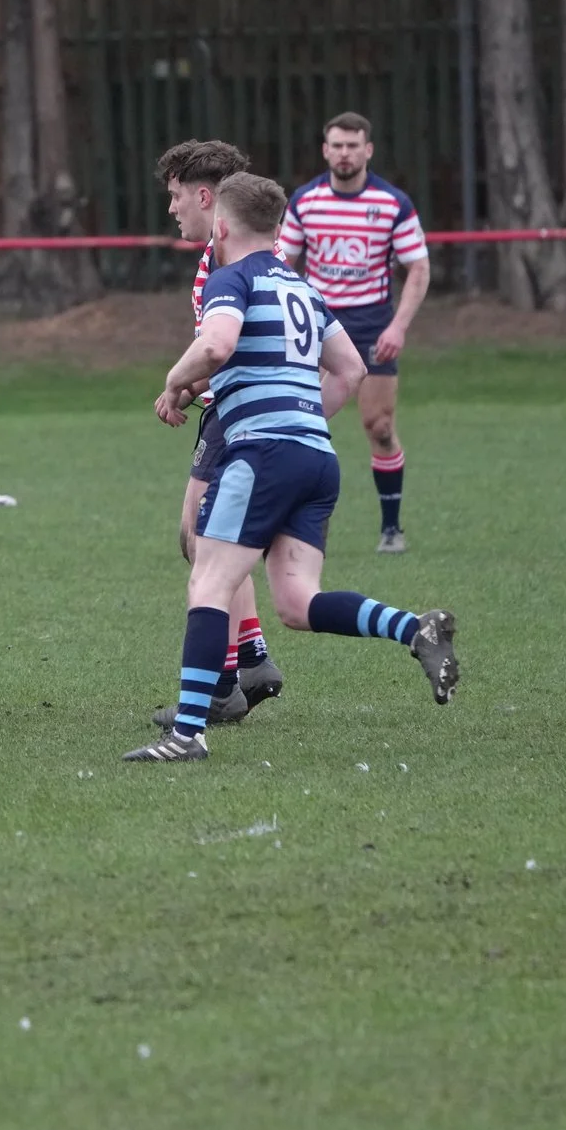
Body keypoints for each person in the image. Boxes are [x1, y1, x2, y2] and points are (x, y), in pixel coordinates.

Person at [126, 173, 457, 764]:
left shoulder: (231, 278)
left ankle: (187, 734)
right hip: (316, 458)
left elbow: (217, 345)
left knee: (209, 581)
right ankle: (415, 628)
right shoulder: (301, 287)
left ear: (221, 226)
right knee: (298, 602)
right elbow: (351, 370)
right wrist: (302, 418)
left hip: (262, 456)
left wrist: (174, 382)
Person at [148, 139, 284, 733]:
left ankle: (224, 684)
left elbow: (223, 345)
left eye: (176, 196)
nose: (171, 208)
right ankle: (250, 660)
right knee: (208, 540)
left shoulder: (228, 261)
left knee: (206, 543)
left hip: (240, 412)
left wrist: (179, 381)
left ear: (205, 197)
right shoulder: (233, 253)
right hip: (234, 408)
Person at [278, 112, 429, 554]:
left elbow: (418, 267)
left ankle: (391, 529)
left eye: (353, 145)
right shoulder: (305, 201)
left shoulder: (392, 203)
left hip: (371, 326)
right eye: (337, 146)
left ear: (368, 150)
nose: (345, 153)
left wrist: (398, 326)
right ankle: (289, 521)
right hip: (317, 325)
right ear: (326, 150)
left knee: (379, 426)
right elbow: (281, 264)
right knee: (302, 422)